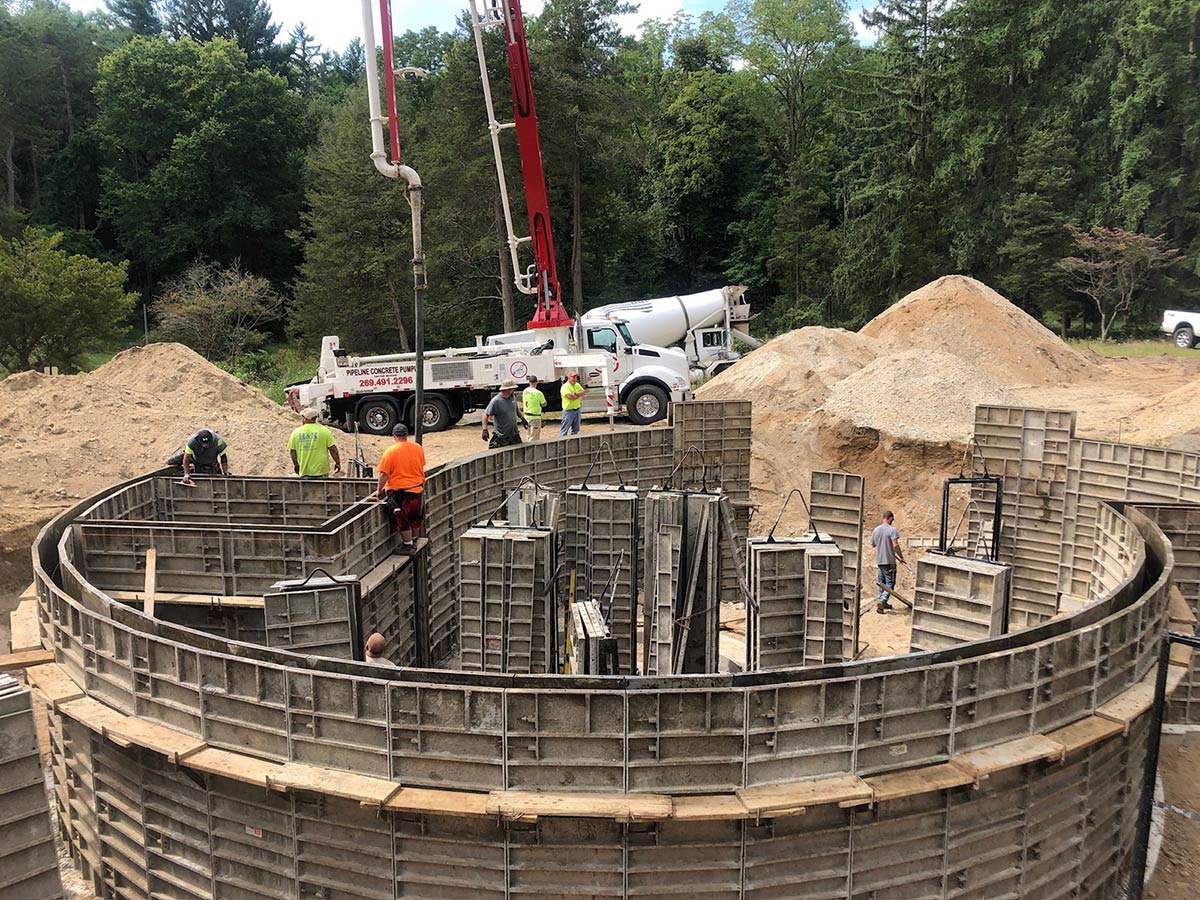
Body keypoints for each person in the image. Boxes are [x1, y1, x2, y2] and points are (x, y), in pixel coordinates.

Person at [376, 424, 426, 547]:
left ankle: (408, 545)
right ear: (406, 435)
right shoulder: (417, 448)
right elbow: (421, 465)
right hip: (417, 488)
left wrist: (379, 490)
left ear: (394, 436)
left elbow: (384, 474)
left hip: (400, 491)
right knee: (415, 516)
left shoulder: (390, 452)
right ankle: (414, 539)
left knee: (401, 517)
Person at [288, 408, 341, 478]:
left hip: (305, 471)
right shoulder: (325, 431)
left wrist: (296, 465)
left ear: (305, 418)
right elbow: (333, 449)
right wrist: (337, 463)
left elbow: (293, 452)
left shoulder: (296, 432)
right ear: (315, 418)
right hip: (322, 471)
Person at [870, 510, 906, 614]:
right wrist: (901, 557)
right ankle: (882, 600)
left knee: (882, 583)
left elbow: (872, 544)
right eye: (892, 520)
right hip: (889, 561)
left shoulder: (876, 530)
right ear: (890, 518)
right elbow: (895, 545)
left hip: (880, 560)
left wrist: (882, 543)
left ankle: (881, 604)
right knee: (890, 583)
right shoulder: (892, 530)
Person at [482, 379, 528, 448]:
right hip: (501, 436)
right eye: (512, 389)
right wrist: (485, 430)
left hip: (514, 434)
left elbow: (516, 409)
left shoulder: (512, 397)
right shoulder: (496, 401)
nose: (514, 390)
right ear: (508, 389)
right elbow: (485, 415)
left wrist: (522, 418)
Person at [560, 370, 585, 436]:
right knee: (564, 429)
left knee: (576, 430)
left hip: (577, 410)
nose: (575, 379)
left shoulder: (577, 385)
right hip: (568, 411)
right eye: (573, 377)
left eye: (575, 377)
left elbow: (583, 392)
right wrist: (578, 395)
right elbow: (570, 397)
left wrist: (575, 394)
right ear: (569, 378)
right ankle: (562, 442)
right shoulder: (565, 386)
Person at [522, 374, 547, 440]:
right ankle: (531, 450)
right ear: (536, 382)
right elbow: (544, 404)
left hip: (526, 416)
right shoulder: (538, 393)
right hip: (535, 417)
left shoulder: (525, 391)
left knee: (528, 435)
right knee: (534, 438)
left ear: (529, 382)